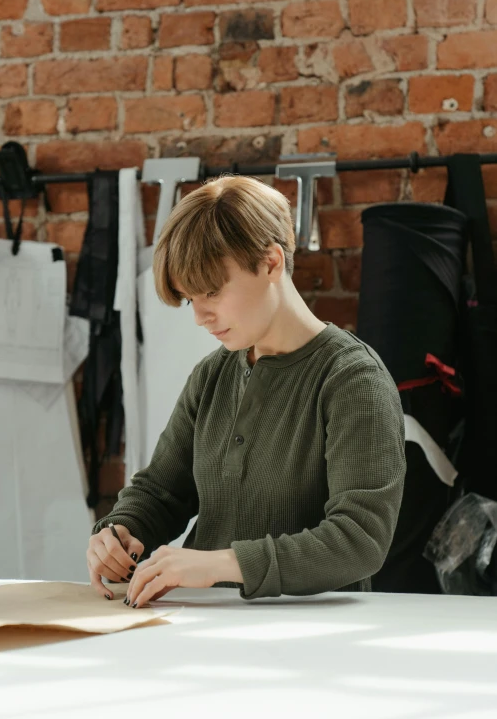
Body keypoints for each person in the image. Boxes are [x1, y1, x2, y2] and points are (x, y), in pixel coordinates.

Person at [87, 175, 406, 607]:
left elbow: (360, 540)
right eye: (189, 299)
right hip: (200, 625)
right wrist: (120, 531)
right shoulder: (212, 375)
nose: (201, 316)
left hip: (315, 638)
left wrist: (220, 564)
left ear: (271, 262)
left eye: (213, 291)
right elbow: (161, 492)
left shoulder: (352, 379)